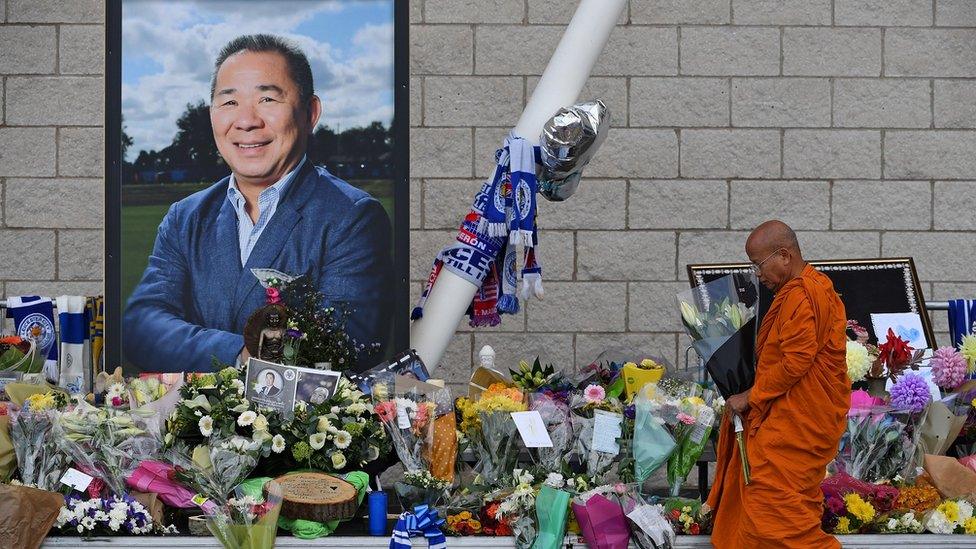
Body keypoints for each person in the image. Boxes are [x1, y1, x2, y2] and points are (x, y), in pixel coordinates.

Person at [123, 34, 392, 372]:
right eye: (229, 102)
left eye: (267, 98)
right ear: (212, 115)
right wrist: (239, 352)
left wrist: (195, 352)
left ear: (310, 112)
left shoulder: (351, 217)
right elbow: (141, 325)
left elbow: (343, 347)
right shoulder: (185, 218)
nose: (247, 120)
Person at [707, 220, 850, 549]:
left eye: (758, 264)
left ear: (784, 256)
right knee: (776, 508)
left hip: (796, 426)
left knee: (775, 513)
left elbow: (795, 362)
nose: (757, 274)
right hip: (787, 419)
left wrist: (750, 395)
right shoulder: (807, 290)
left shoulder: (805, 295)